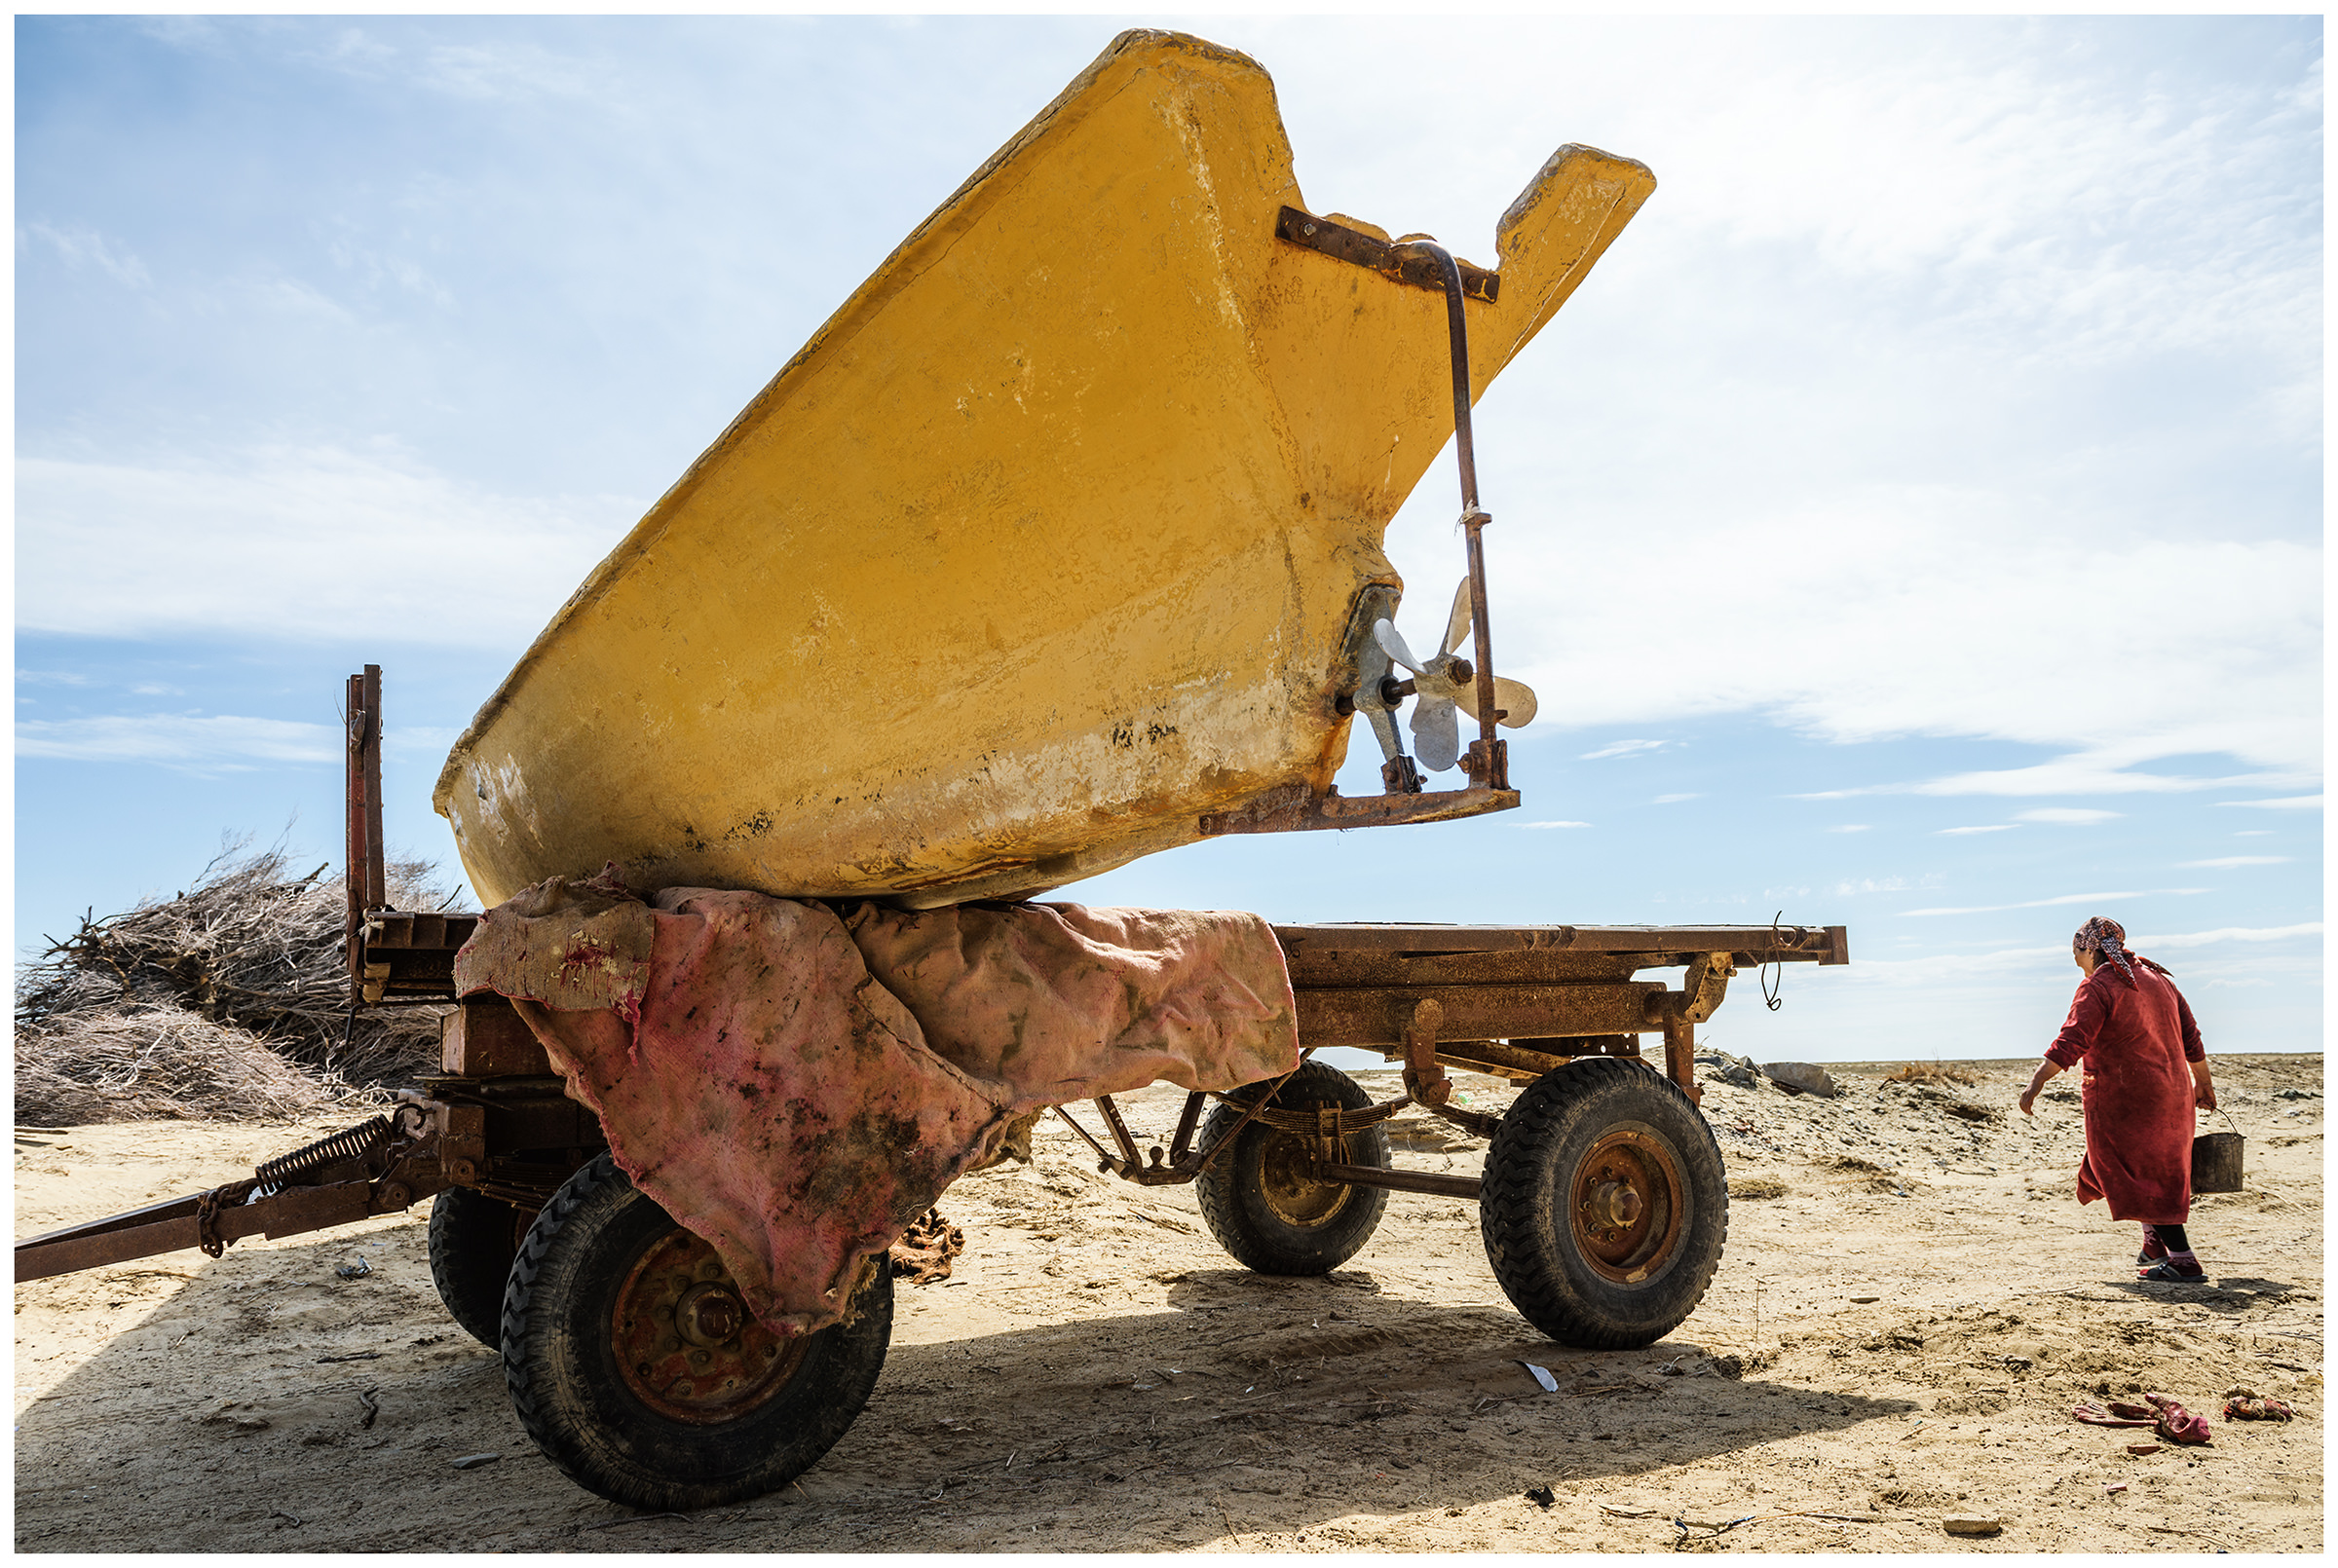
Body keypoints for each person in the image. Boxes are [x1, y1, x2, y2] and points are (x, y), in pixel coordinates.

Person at [2018, 916, 2215, 1282]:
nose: (2075, 960)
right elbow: (2193, 1039)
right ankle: (2153, 1242)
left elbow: (2072, 1039)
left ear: (2090, 949)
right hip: (2173, 1095)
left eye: (2076, 952)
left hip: (2129, 1100)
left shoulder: (2100, 985)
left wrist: (2036, 1083)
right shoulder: (2161, 981)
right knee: (2131, 1167)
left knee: (2142, 1174)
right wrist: (2202, 1085)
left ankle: (2184, 1261)